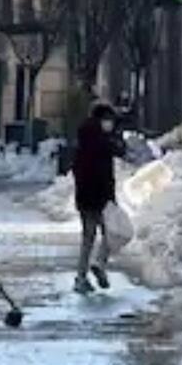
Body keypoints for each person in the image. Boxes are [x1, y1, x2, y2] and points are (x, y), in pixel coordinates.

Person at [72, 102, 125, 295]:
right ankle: (100, 263)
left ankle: (81, 277)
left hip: (84, 197)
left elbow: (76, 170)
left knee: (88, 237)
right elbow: (120, 151)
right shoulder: (103, 142)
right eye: (108, 120)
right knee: (112, 232)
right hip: (101, 196)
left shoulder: (83, 140)